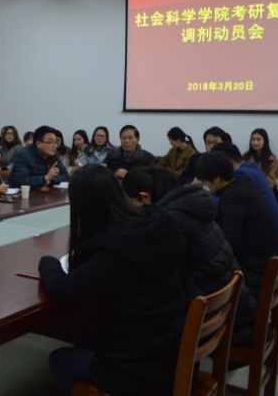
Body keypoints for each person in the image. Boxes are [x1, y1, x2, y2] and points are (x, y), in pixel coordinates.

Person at [39, 165, 188, 396]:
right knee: (84, 338)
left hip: (144, 368)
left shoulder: (114, 255)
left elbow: (62, 290)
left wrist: (47, 262)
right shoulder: (157, 225)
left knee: (59, 360)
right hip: (169, 344)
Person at [121, 167, 257, 346]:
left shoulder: (171, 221)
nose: (129, 208)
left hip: (217, 319)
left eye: (130, 202)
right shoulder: (189, 205)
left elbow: (160, 278)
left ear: (145, 197)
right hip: (233, 304)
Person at [195, 152, 274, 299]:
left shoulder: (231, 197)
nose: (205, 185)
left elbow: (232, 243)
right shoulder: (242, 184)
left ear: (217, 178)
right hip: (263, 257)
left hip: (252, 268)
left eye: (205, 181)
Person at [212, 143, 278, 255]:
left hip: (270, 247)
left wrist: (207, 193)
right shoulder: (252, 167)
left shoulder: (240, 175)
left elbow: (227, 202)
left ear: (230, 163)